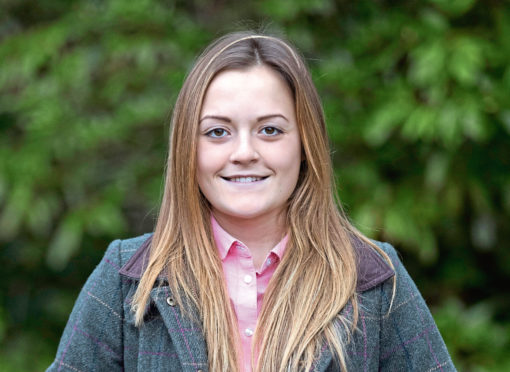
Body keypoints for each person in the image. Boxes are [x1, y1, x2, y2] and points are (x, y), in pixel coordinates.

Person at [47, 31, 456, 372]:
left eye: (270, 131)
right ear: (187, 148)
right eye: (218, 132)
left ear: (305, 144)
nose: (244, 152)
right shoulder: (127, 278)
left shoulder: (375, 279)